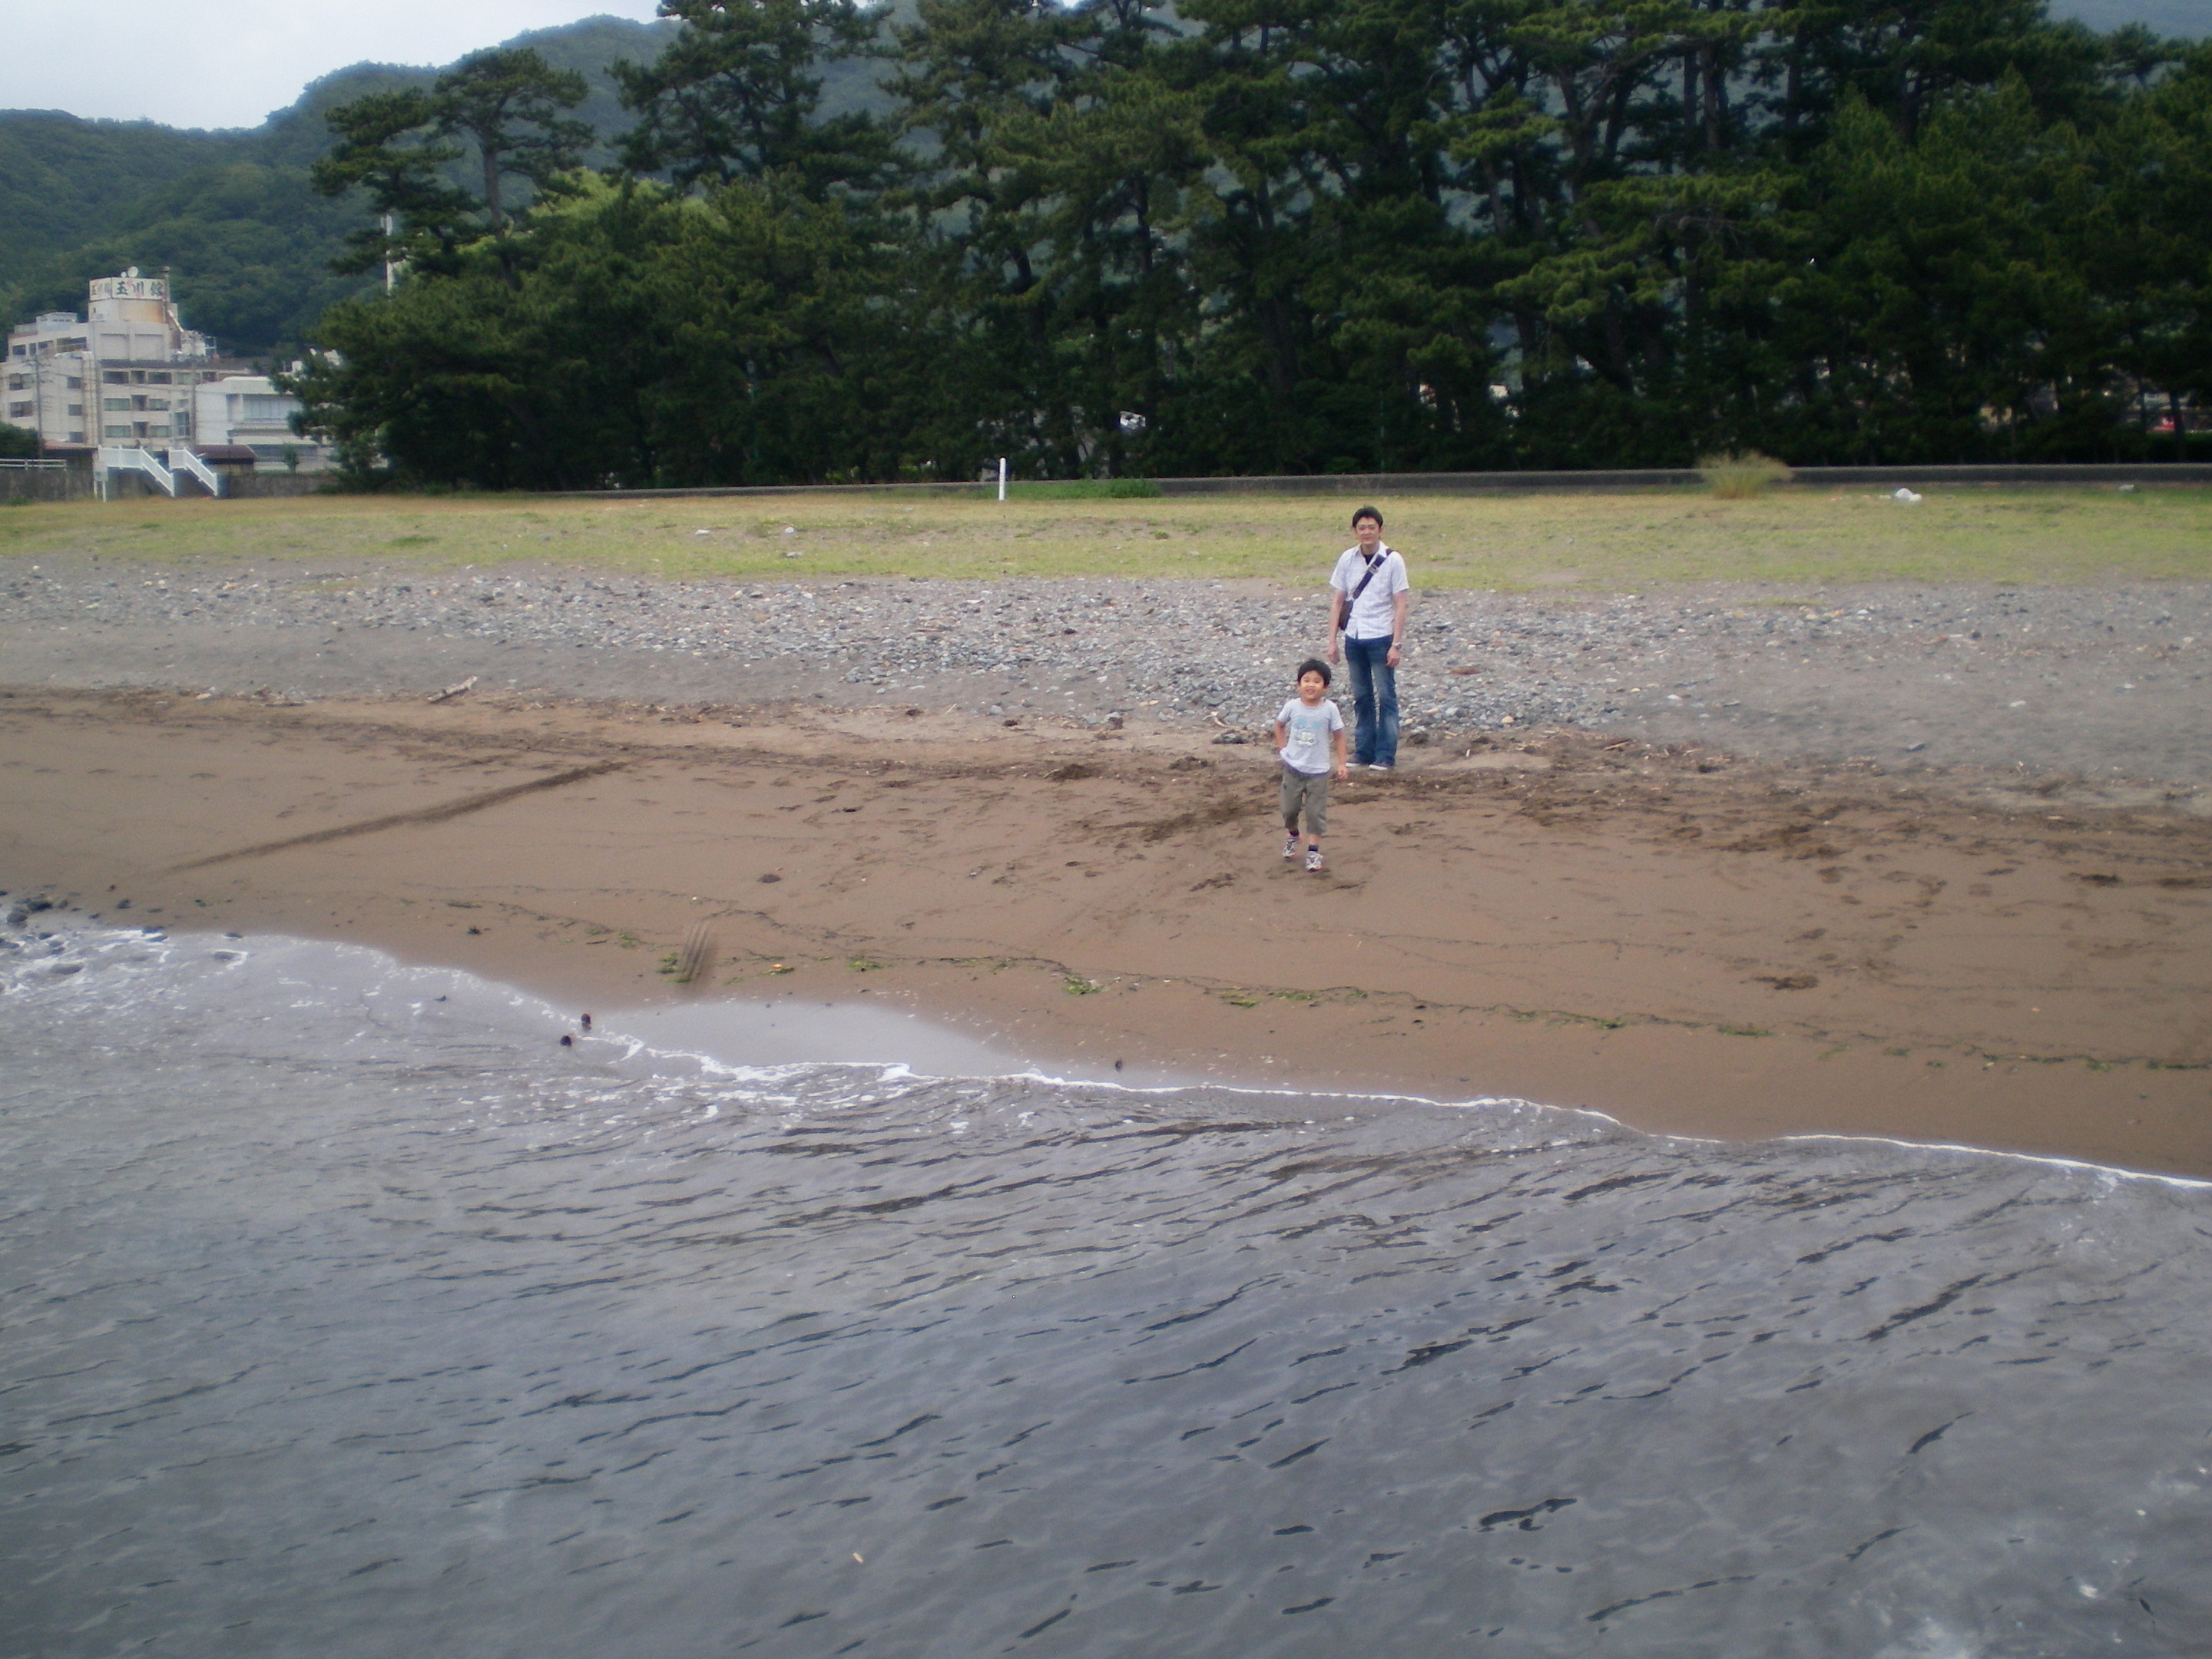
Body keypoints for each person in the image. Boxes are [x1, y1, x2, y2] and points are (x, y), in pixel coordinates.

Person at [1326, 505, 1410, 770]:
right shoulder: (1347, 559)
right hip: (1354, 636)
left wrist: (1396, 644)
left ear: (1380, 530)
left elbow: (1400, 604)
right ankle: (1364, 751)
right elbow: (1337, 602)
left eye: (1371, 527)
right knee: (1361, 696)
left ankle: (1385, 755)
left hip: (1381, 636)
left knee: (1386, 696)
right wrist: (1332, 641)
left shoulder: (1393, 560)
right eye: (1361, 527)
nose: (1366, 532)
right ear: (1355, 531)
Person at [1274, 657, 1349, 873]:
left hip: (1318, 773)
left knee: (1315, 814)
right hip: (1293, 769)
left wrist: (1342, 763)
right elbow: (1279, 725)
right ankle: (1293, 834)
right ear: (1299, 684)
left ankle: (1314, 852)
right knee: (1289, 810)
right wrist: (1282, 749)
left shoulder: (1330, 710)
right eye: (1306, 680)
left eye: (1317, 681)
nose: (1311, 685)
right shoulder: (1292, 706)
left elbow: (1339, 737)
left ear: (1325, 687)